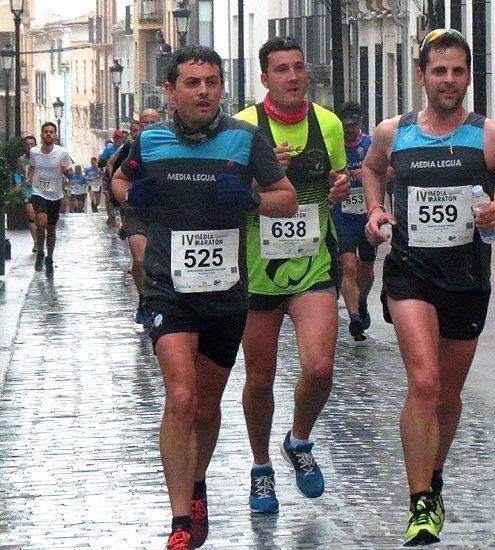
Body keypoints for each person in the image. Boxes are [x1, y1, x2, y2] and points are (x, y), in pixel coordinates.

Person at [111, 45, 296, 550]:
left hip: (225, 293)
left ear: (221, 87)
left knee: (207, 407)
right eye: (192, 83)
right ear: (171, 91)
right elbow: (120, 181)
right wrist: (134, 195)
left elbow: (288, 199)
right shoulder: (150, 140)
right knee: (182, 395)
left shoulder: (244, 138)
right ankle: (179, 521)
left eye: (211, 81)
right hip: (168, 289)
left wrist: (253, 199)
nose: (203, 91)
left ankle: (196, 484)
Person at [362, 29, 495, 545]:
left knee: (450, 394)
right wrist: (375, 209)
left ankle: (433, 479)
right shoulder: (393, 133)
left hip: (466, 278)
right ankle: (419, 503)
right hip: (410, 272)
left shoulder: (492, 137)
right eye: (440, 71)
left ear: (468, 77)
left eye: (458, 71)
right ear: (422, 76)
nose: (449, 80)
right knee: (425, 381)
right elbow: (371, 170)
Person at [233, 36, 349, 515]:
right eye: (281, 69)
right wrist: (259, 177)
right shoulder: (241, 127)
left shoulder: (329, 124)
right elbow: (225, 192)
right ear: (265, 79)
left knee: (319, 367)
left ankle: (298, 441)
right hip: (256, 273)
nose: (293, 77)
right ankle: (261, 468)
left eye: (299, 67)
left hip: (312, 264)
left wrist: (340, 187)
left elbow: (338, 182)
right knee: (260, 378)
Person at [331, 101, 380, 342]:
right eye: (345, 126)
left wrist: (368, 172)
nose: (349, 131)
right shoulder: (335, 146)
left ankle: (361, 301)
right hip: (343, 215)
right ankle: (354, 319)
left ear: (360, 123)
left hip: (367, 214)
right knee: (348, 265)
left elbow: (390, 171)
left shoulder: (370, 145)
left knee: (367, 267)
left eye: (353, 126)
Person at [110, 110, 161, 327]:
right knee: (140, 259)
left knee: (158, 262)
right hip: (136, 209)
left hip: (160, 211)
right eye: (145, 122)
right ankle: (143, 298)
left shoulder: (168, 145)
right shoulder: (131, 148)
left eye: (153, 122)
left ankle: (157, 301)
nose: (148, 125)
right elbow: (114, 169)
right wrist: (122, 197)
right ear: (138, 125)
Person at [27, 122, 74, 275]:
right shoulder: (34, 152)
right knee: (41, 222)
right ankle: (40, 251)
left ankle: (49, 258)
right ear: (41, 135)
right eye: (46, 131)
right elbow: (32, 166)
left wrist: (65, 171)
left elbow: (70, 173)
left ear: (55, 136)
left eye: (51, 132)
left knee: (51, 228)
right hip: (38, 192)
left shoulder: (62, 153)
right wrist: (29, 178)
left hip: (55, 194)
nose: (48, 134)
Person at [14, 135, 39, 252]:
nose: (30, 147)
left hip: (40, 190)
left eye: (32, 144)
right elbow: (18, 173)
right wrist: (18, 183)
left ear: (36, 145)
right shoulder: (21, 160)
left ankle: (41, 238)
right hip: (27, 189)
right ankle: (36, 242)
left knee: (41, 217)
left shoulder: (41, 158)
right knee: (31, 215)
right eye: (27, 145)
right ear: (24, 146)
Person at [101, 131, 126, 227]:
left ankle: (118, 214)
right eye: (115, 137)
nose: (117, 139)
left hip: (120, 174)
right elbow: (103, 161)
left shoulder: (124, 147)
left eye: (119, 137)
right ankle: (110, 216)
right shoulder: (109, 148)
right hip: (108, 174)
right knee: (108, 196)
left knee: (119, 195)